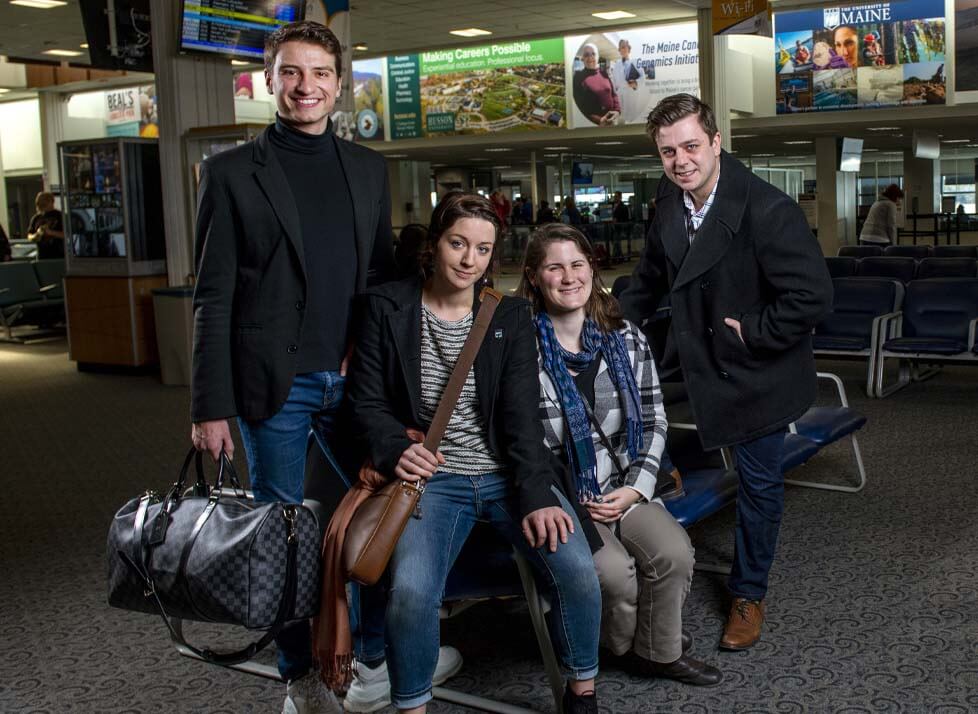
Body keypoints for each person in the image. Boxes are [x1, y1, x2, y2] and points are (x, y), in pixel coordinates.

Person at [190, 20, 397, 714]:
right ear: (269, 80)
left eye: (319, 75)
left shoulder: (369, 170)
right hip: (273, 386)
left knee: (371, 523)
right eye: (290, 73)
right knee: (281, 537)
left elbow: (382, 283)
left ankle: (366, 657)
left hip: (355, 385)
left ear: (339, 87)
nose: (305, 87)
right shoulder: (230, 174)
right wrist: (208, 406)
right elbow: (212, 296)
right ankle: (299, 676)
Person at [345, 192, 602, 714]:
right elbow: (365, 401)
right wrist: (396, 448)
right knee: (413, 593)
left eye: (483, 250)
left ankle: (582, 694)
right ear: (434, 244)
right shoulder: (386, 307)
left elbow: (523, 421)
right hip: (432, 479)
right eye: (458, 244)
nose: (469, 260)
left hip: (508, 474)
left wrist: (537, 495)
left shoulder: (509, 317)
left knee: (576, 569)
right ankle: (411, 706)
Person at [619, 94, 832, 652]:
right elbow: (649, 277)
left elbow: (813, 298)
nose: (680, 160)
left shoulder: (767, 208)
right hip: (696, 361)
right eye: (667, 151)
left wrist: (752, 331)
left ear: (716, 142)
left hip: (755, 370)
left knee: (759, 487)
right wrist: (606, 321)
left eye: (691, 146)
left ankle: (749, 592)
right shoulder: (669, 199)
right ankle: (663, 479)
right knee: (631, 409)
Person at [518, 223, 722, 686]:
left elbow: (653, 419)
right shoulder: (519, 350)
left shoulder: (625, 337)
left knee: (673, 553)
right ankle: (635, 649)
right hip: (565, 498)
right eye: (554, 267)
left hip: (624, 483)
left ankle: (658, 652)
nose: (569, 277)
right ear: (533, 277)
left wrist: (637, 488)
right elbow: (524, 443)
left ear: (593, 267)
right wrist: (566, 497)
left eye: (577, 264)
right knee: (613, 574)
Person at [573, 43, 620, 126]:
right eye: (586, 54)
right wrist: (599, 120)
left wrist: (617, 110)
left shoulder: (604, 73)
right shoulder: (578, 77)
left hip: (612, 120)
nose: (590, 57)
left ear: (597, 56)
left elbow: (614, 94)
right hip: (594, 124)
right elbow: (578, 106)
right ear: (583, 58)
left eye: (593, 54)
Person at [26, 192, 65, 259]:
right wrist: (36, 235)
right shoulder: (36, 218)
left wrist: (50, 232)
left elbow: (67, 235)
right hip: (42, 255)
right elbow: (29, 235)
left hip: (58, 254)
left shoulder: (60, 215)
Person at [610, 39, 640, 122]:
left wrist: (636, 84)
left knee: (631, 121)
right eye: (620, 48)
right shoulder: (616, 65)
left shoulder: (636, 62)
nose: (622, 50)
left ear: (629, 48)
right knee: (620, 121)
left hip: (631, 96)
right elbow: (613, 83)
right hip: (620, 97)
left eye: (624, 47)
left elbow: (643, 80)